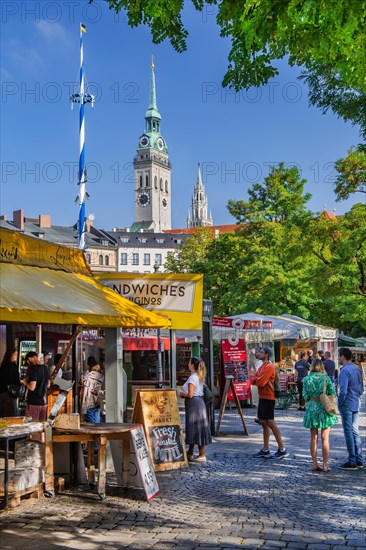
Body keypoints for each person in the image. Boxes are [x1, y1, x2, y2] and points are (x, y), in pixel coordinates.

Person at [250, 347, 288, 459]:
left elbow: (261, 382)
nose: (258, 354)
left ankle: (282, 448)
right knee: (264, 423)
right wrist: (256, 379)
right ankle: (265, 449)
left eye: (261, 352)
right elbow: (253, 379)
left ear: (266, 354)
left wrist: (257, 379)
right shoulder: (262, 366)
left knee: (270, 422)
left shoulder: (269, 367)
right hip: (263, 397)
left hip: (268, 397)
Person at [302, 359, 338, 472]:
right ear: (322, 366)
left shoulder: (306, 379)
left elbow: (305, 396)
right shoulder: (325, 378)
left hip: (312, 408)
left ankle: (314, 464)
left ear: (312, 366)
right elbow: (333, 393)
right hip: (324, 408)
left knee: (313, 438)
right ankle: (325, 465)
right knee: (325, 438)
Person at [180, 357, 212, 462]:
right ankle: (190, 452)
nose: (188, 364)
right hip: (199, 403)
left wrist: (182, 394)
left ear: (193, 365)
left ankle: (201, 454)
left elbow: (190, 394)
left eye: (189, 362)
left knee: (196, 428)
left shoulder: (192, 378)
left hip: (194, 404)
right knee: (195, 428)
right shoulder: (198, 376)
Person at [338, 347, 364, 470]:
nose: (338, 358)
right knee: (355, 430)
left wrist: (340, 402)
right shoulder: (357, 369)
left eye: (339, 356)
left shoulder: (344, 370)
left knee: (348, 431)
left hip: (347, 403)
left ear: (343, 356)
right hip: (356, 402)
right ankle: (358, 458)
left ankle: (352, 459)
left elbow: (343, 390)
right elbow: (361, 388)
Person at [22, 351, 50, 421]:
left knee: (32, 427)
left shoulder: (34, 369)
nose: (28, 363)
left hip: (34, 403)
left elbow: (32, 387)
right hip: (43, 403)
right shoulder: (46, 368)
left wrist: (25, 382)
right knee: (40, 427)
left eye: (28, 361)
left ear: (30, 358)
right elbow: (48, 384)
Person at [80, 358, 104, 424]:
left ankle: (94, 433)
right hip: (98, 401)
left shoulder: (89, 376)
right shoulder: (101, 376)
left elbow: (83, 382)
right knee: (97, 417)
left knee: (90, 421)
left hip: (89, 401)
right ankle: (98, 431)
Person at [0, 348, 20, 417]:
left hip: (2, 393)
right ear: (11, 355)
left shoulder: (3, 365)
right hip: (10, 394)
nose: (17, 356)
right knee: (11, 416)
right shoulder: (12, 366)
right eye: (16, 354)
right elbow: (14, 380)